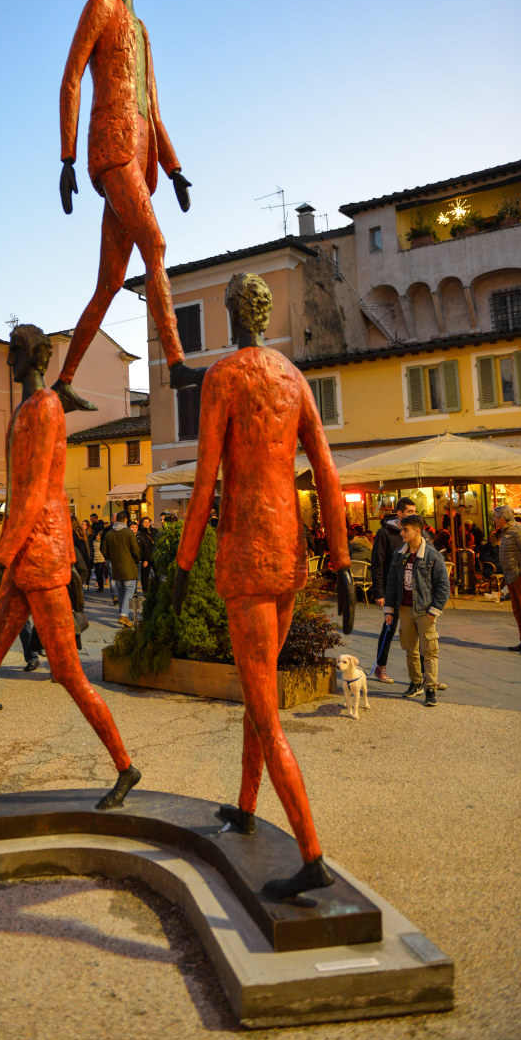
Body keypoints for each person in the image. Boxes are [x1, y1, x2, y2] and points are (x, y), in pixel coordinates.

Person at [173, 272, 353, 899]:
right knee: (260, 692)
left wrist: (182, 564)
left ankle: (311, 854)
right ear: (269, 313)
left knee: (266, 712)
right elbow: (327, 473)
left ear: (229, 315)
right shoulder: (293, 379)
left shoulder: (223, 377)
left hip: (249, 554)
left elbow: (204, 483)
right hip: (291, 553)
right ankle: (247, 807)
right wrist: (342, 561)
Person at [0, 323, 139, 811]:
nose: (6, 360)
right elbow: (22, 493)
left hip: (43, 556)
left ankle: (124, 766)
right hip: (24, 555)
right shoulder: (33, 407)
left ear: (33, 357)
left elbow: (34, 493)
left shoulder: (42, 408)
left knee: (69, 674)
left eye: (13, 351)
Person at [55, 0, 202, 414]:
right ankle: (176, 361)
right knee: (155, 245)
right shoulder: (100, 5)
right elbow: (73, 75)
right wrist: (67, 157)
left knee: (110, 282)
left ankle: (64, 380)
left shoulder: (141, 29)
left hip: (140, 156)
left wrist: (174, 167)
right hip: (113, 150)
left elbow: (154, 107)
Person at [383, 514, 450, 707]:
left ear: (417, 531)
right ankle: (415, 682)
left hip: (424, 609)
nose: (402, 533)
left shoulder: (432, 555)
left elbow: (443, 586)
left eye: (406, 530)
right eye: (402, 529)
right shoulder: (399, 554)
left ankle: (430, 688)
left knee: (429, 650)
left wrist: (433, 611)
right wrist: (389, 609)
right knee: (409, 648)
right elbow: (391, 584)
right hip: (404, 608)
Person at [368, 497, 417, 683]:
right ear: (400, 513)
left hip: (411, 589)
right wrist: (378, 592)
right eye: (410, 512)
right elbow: (377, 563)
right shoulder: (385, 533)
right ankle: (380, 667)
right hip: (392, 589)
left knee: (417, 630)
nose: (414, 514)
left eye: (415, 511)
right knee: (389, 628)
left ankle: (423, 674)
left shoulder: (414, 532)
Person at [101, 514, 140, 627]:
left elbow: (104, 550)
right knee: (129, 590)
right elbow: (135, 550)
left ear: (116, 520)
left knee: (121, 591)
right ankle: (124, 615)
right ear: (126, 520)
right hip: (129, 566)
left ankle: (124, 615)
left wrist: (111, 558)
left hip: (116, 567)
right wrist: (137, 559)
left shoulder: (109, 534)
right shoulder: (128, 533)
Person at [493, 505, 521, 651]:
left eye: (495, 518)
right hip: (510, 576)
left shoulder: (518, 530)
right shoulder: (505, 532)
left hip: (519, 576)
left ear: (502, 519)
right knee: (517, 610)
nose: (494, 521)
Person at [137, 516, 157, 592]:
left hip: (154, 556)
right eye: (145, 522)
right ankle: (145, 591)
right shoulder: (139, 532)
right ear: (142, 523)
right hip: (145, 557)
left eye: (148, 522)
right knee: (145, 576)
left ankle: (156, 590)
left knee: (157, 574)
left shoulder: (154, 531)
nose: (147, 524)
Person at [71, 516, 91, 586]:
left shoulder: (70, 533)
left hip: (72, 560)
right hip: (81, 560)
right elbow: (84, 548)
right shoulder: (80, 533)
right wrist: (87, 561)